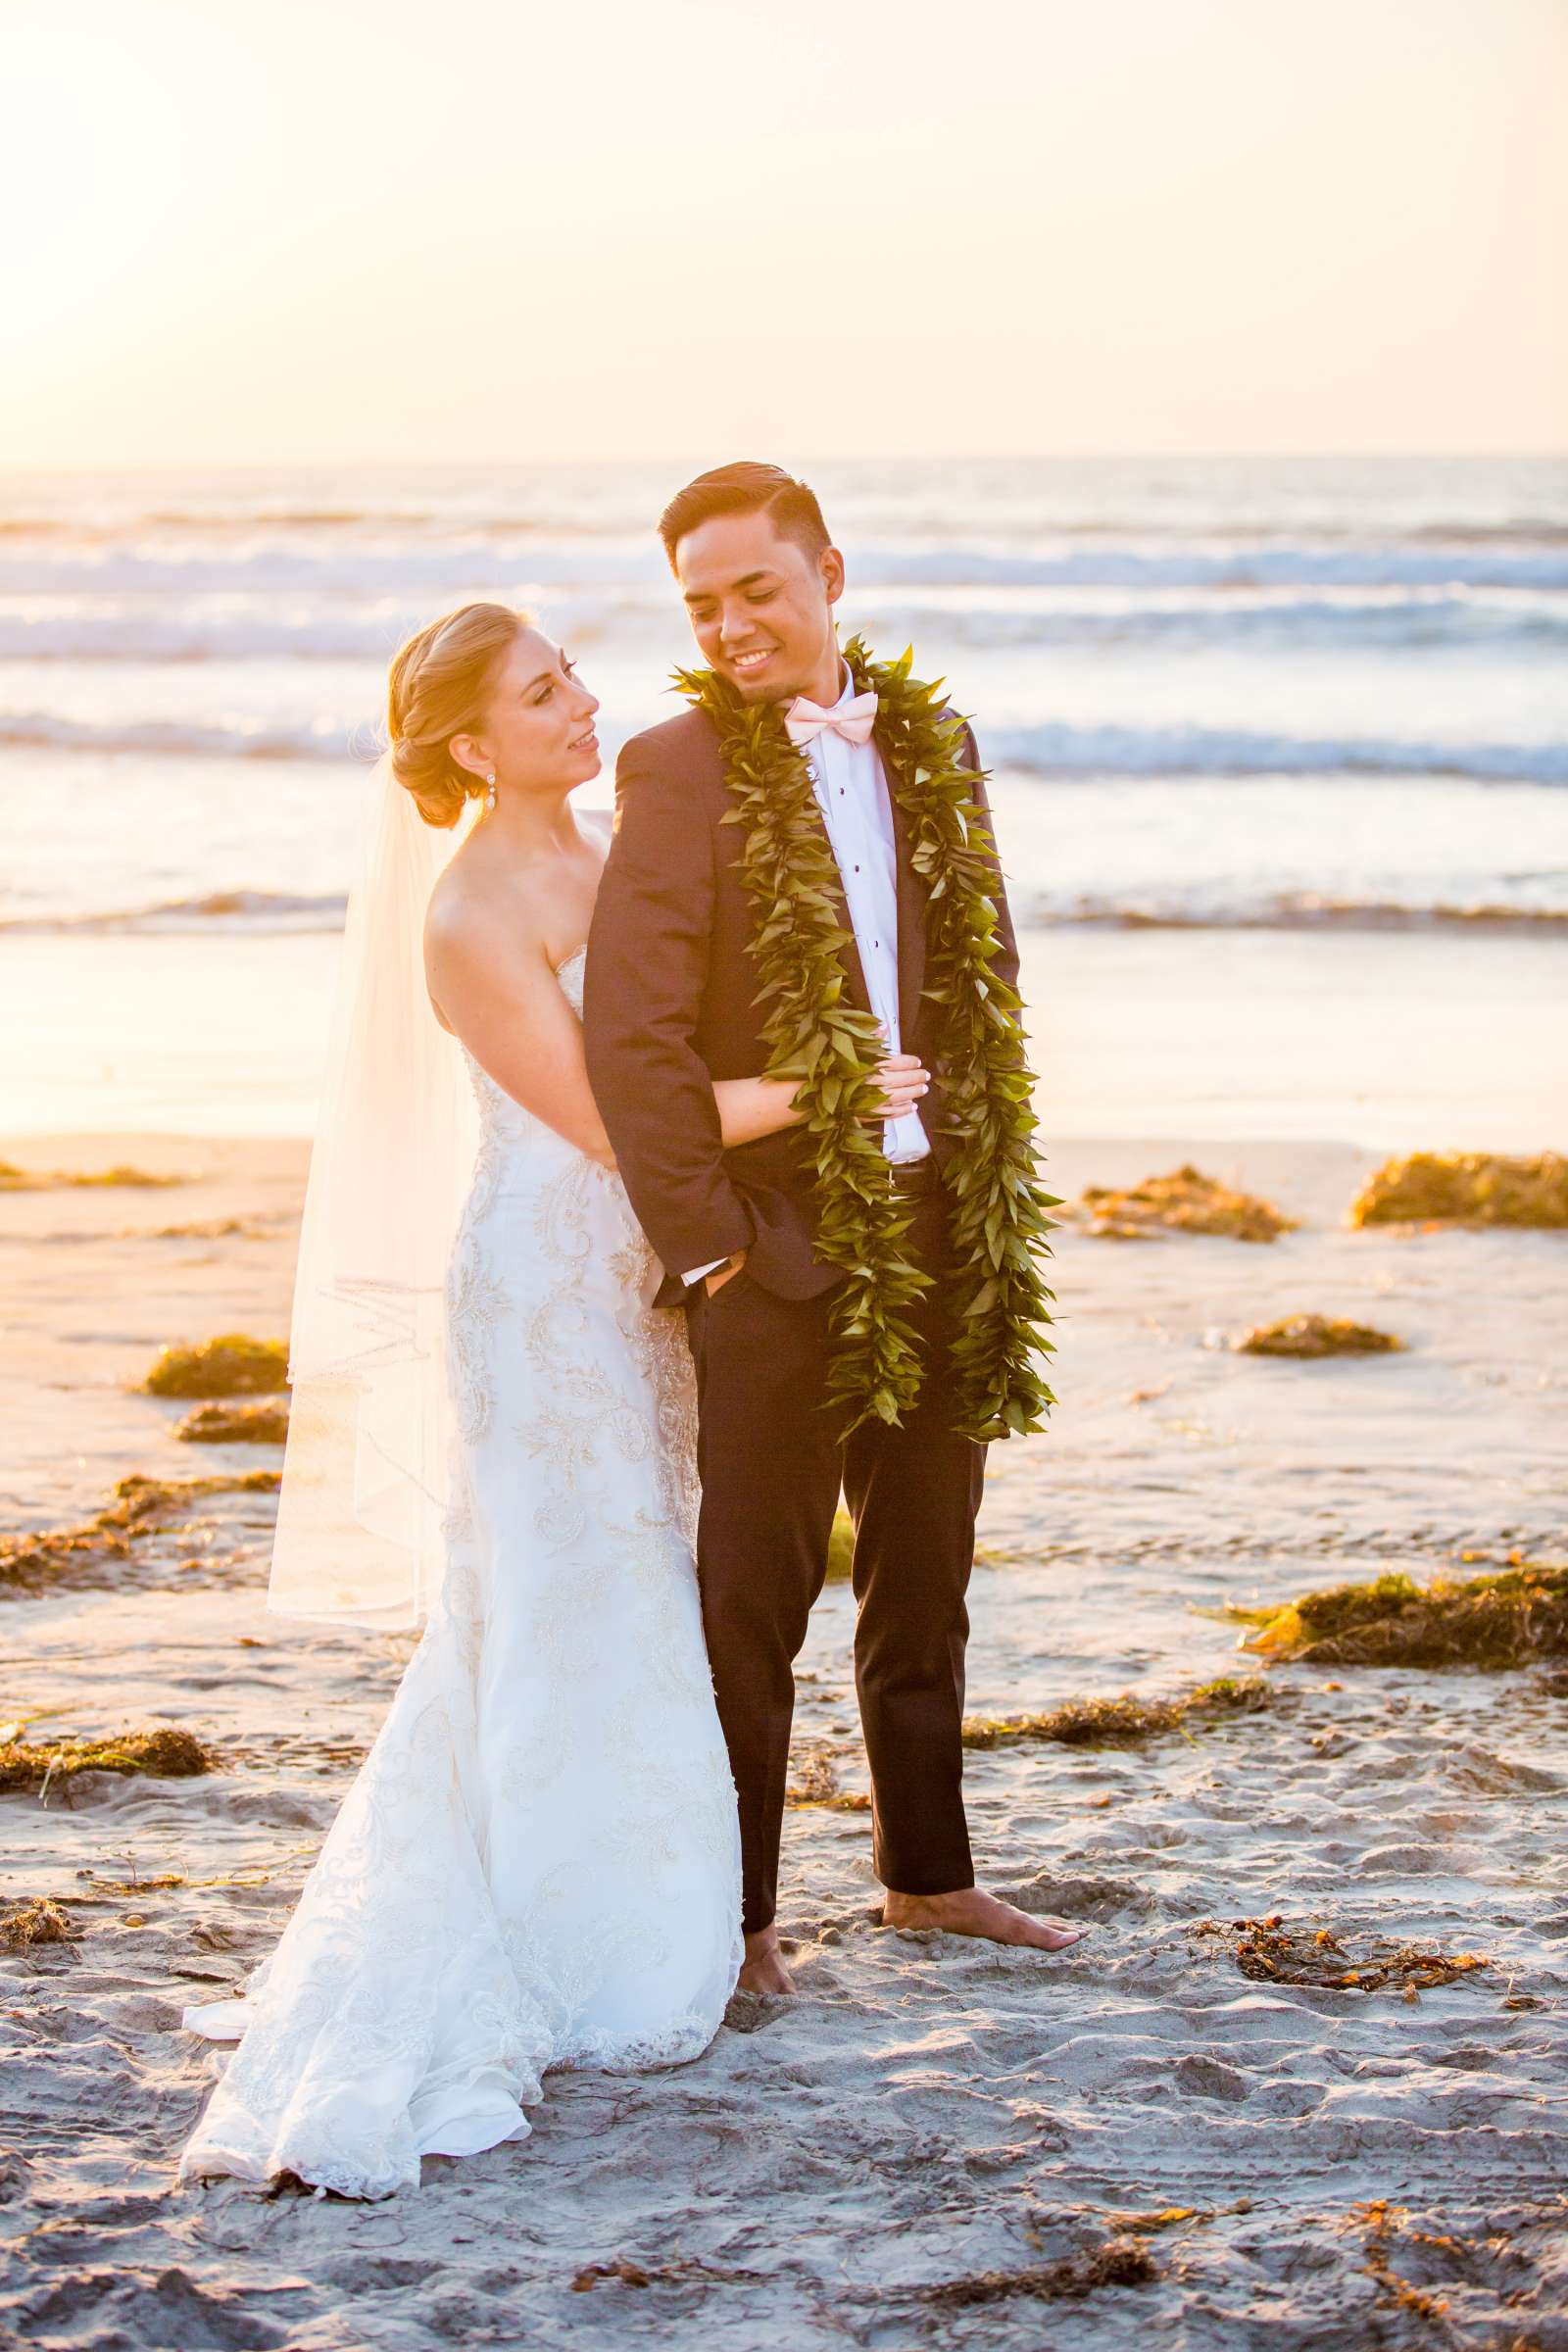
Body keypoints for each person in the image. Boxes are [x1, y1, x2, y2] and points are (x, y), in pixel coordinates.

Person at [178, 601, 933, 2197]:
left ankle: (684, 1898)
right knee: (567, 1586)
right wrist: (840, 1077)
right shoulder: (467, 917)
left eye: (576, 672)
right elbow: (616, 1118)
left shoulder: (629, 847)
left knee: (653, 1577)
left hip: (657, 1266)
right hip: (544, 1285)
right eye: (544, 691)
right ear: (469, 742)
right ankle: (578, 1919)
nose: (585, 701)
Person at [584, 464, 1078, 1996]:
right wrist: (716, 1250)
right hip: (781, 1244)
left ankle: (928, 1878)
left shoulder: (937, 741)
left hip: (945, 1221)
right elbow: (632, 1039)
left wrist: (995, 1188)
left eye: (757, 589)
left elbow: (980, 967)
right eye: (703, 604)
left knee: (926, 1576)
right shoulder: (673, 768)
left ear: (830, 575)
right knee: (755, 1598)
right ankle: (733, 1924)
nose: (733, 624)